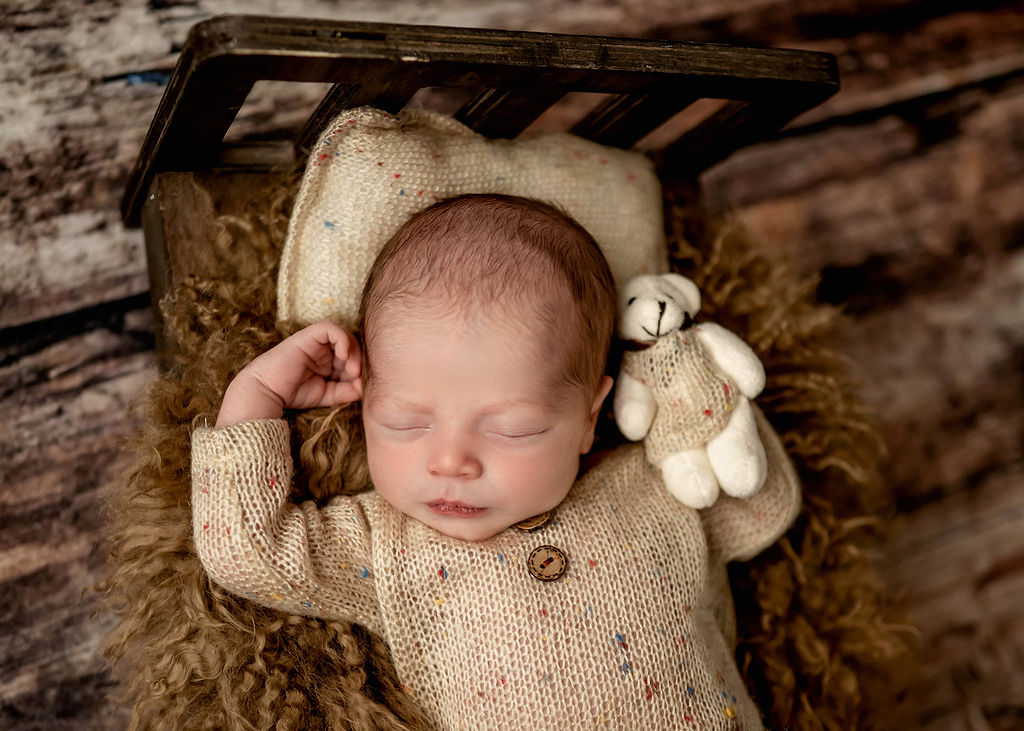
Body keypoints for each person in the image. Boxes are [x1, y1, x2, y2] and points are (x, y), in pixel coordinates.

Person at [192, 193, 785, 728]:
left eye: (512, 429)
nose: (451, 460)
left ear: (589, 417)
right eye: (405, 422)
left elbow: (765, 507)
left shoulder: (650, 483)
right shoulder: (384, 547)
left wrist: (693, 395)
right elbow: (246, 549)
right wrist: (258, 396)